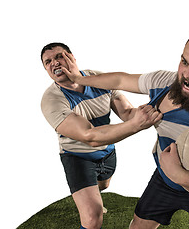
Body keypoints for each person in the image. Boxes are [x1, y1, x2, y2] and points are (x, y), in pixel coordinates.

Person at [61, 29, 189, 229]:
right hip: (165, 180)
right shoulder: (163, 82)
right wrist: (80, 79)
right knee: (137, 226)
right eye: (184, 62)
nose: (187, 75)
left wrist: (180, 175)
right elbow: (120, 80)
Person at [40, 42, 162, 229]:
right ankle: (87, 201)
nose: (54, 63)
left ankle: (90, 194)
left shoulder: (97, 78)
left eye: (59, 56)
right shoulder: (52, 100)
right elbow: (90, 136)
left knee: (103, 186)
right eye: (48, 62)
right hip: (77, 157)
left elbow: (127, 112)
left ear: (72, 57)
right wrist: (136, 125)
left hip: (107, 151)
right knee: (92, 219)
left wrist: (155, 108)